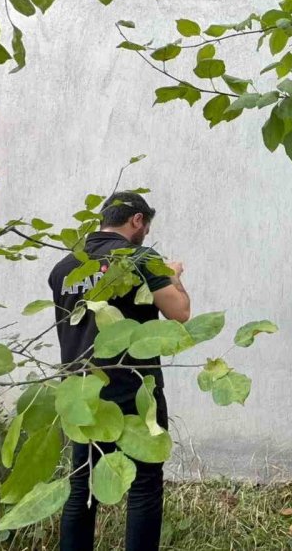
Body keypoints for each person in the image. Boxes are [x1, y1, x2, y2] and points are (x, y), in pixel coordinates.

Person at [50, 191, 191, 551]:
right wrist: (172, 276)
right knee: (144, 481)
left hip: (82, 393)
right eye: (146, 225)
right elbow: (180, 313)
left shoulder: (65, 268)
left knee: (83, 486)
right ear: (137, 221)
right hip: (134, 388)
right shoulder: (141, 257)